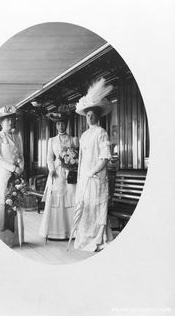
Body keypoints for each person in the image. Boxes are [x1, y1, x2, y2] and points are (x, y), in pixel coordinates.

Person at [73, 78, 114, 252]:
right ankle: (84, 238)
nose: (90, 117)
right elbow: (82, 158)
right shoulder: (84, 135)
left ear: (98, 116)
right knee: (85, 206)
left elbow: (104, 157)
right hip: (84, 177)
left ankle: (98, 238)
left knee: (96, 207)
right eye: (87, 115)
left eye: (92, 115)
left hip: (97, 178)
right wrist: (82, 173)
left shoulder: (101, 132)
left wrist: (92, 171)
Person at [0, 105, 24, 247]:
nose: (10, 122)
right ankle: (0, 239)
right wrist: (12, 168)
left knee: (14, 202)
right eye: (7, 120)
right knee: (3, 203)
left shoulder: (17, 137)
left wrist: (21, 167)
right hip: (3, 176)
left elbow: (20, 156)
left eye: (12, 120)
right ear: (1, 122)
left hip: (16, 176)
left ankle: (13, 239)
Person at [39, 105, 78, 240]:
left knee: (71, 196)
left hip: (70, 171)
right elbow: (49, 157)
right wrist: (51, 170)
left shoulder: (73, 139)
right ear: (56, 126)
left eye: (63, 124)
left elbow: (78, 156)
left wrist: (72, 162)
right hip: (57, 171)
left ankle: (72, 231)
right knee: (56, 197)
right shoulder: (52, 140)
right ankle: (56, 232)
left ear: (67, 124)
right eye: (59, 124)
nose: (61, 126)